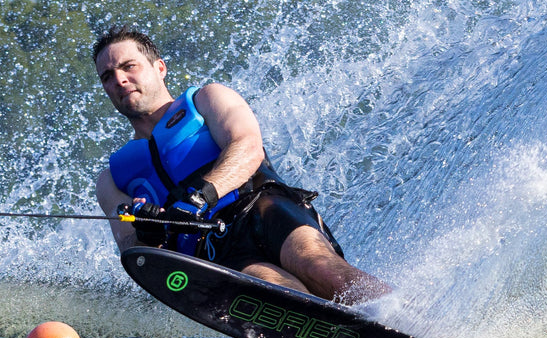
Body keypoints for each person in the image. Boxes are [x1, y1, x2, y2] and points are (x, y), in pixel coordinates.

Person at [92, 26, 389, 303]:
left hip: (262, 209)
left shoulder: (206, 100)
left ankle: (411, 318)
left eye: (129, 66)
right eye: (107, 76)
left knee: (318, 267)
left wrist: (200, 196)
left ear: (159, 68)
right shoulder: (112, 178)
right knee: (276, 290)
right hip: (214, 249)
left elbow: (247, 147)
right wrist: (147, 232)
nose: (119, 79)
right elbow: (133, 251)